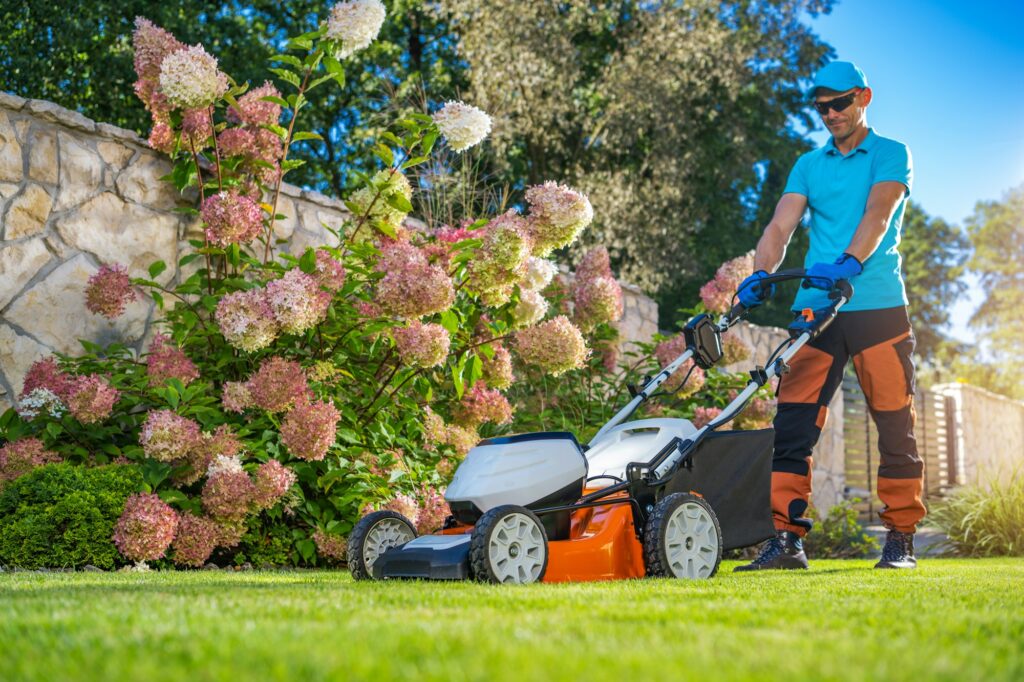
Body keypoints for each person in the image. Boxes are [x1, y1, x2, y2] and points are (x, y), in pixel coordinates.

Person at [733, 61, 924, 571]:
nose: (831, 114)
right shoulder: (808, 164)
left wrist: (851, 262)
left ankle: (901, 538)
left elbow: (878, 215)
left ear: (863, 96)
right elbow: (780, 225)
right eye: (821, 107)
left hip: (877, 304)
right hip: (816, 310)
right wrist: (761, 274)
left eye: (839, 103)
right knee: (793, 424)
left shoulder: (890, 153)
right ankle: (786, 539)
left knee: (893, 424)